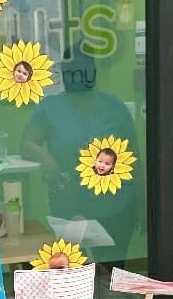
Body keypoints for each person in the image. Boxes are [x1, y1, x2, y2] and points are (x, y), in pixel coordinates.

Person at [21, 44, 139, 261]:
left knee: (111, 271)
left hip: (114, 206)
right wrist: (47, 160)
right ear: (64, 73)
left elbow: (135, 159)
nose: (76, 75)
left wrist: (143, 207)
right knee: (75, 271)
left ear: (93, 71)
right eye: (70, 70)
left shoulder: (114, 107)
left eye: (82, 69)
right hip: (70, 206)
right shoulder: (51, 107)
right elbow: (27, 143)